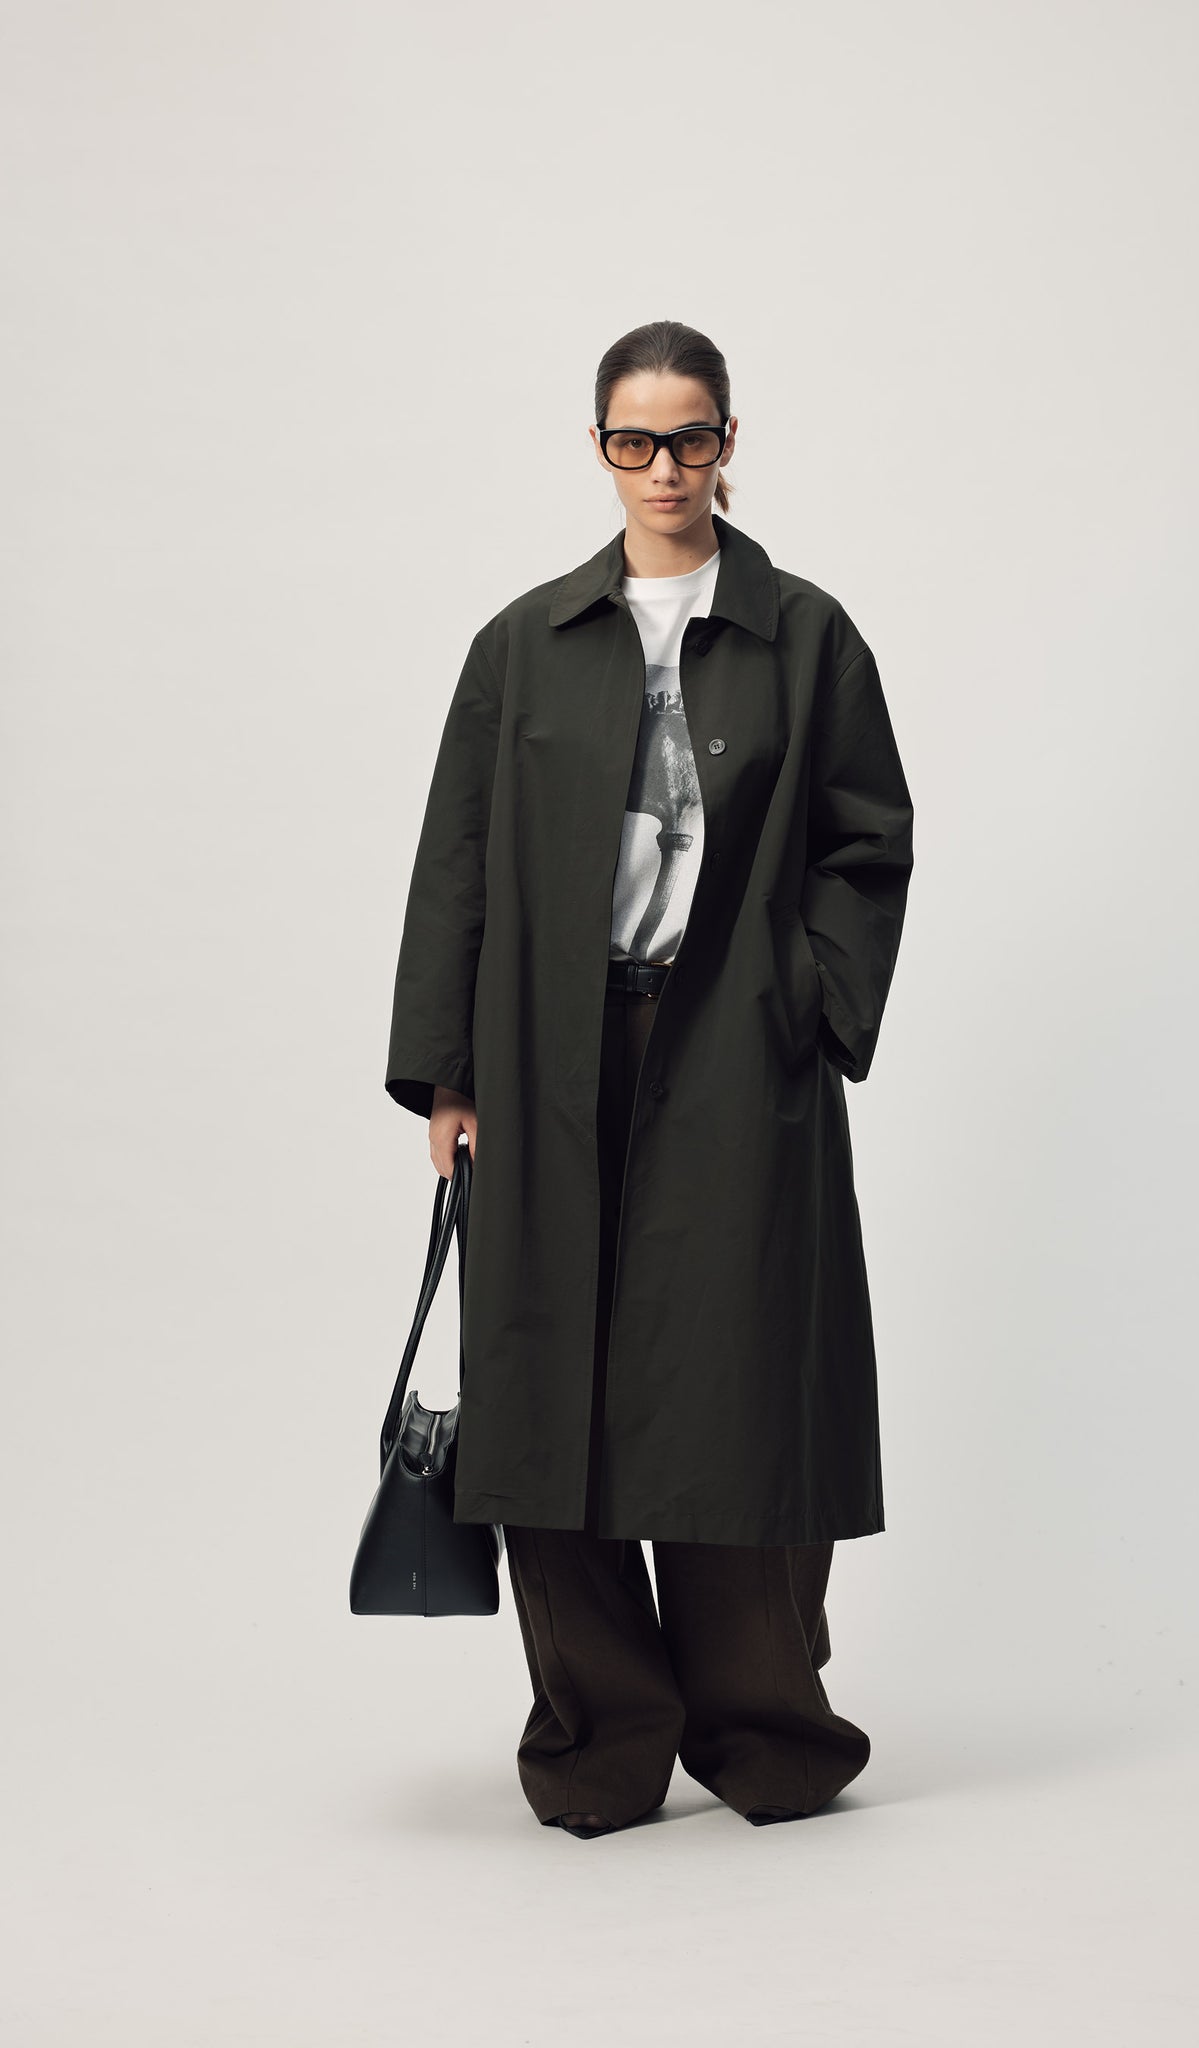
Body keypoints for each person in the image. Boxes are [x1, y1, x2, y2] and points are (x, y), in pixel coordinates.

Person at [384, 319, 914, 1839]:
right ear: (600, 448)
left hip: (736, 1045)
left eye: (690, 438)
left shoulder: (806, 635)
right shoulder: (523, 645)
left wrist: (801, 999)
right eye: (636, 440)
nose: (664, 467)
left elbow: (867, 840)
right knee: (548, 1382)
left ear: (728, 443)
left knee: (735, 1385)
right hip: (549, 1050)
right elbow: (457, 863)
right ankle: (602, 1738)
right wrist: (447, 1072)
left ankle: (765, 1727)